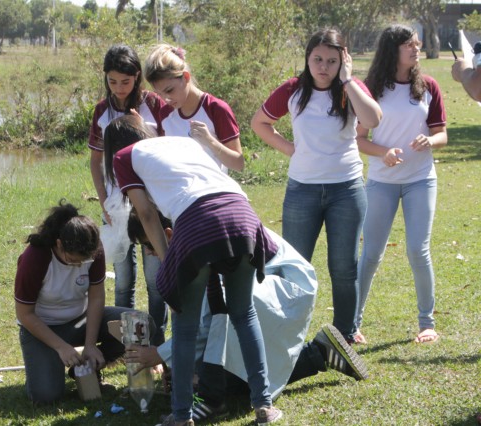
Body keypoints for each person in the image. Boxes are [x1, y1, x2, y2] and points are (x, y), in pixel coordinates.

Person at [104, 115, 281, 426]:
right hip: (242, 213)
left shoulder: (123, 157)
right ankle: (264, 406)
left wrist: (168, 261)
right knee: (244, 313)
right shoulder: (181, 142)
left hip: (198, 222)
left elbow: (146, 214)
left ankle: (182, 416)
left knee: (184, 331)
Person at [125, 210, 368, 422]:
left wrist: (161, 354)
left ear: (167, 233)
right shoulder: (187, 231)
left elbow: (207, 320)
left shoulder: (194, 240)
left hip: (283, 287)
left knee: (225, 346)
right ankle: (318, 354)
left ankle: (212, 399)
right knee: (229, 375)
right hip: (264, 288)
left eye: (148, 245)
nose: (148, 254)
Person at [251, 29, 382, 343]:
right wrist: (289, 149)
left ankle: (345, 334)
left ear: (343, 61)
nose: (324, 66)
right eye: (318, 59)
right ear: (308, 58)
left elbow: (373, 120)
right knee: (293, 265)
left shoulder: (351, 89)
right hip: (302, 191)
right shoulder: (293, 90)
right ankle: (286, 332)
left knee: (344, 266)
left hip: (346, 190)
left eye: (332, 61)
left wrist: (349, 81)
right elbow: (259, 123)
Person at [356, 25, 447, 344]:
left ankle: (427, 323)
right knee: (371, 254)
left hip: (421, 181)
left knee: (417, 251)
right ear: (392, 49)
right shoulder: (370, 88)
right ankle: (353, 325)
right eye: (409, 44)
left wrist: (430, 140)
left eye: (417, 43)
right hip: (381, 182)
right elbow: (359, 140)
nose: (416, 48)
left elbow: (442, 134)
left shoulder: (428, 86)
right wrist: (384, 153)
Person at [13, 200, 155, 404]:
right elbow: (24, 315)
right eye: (73, 260)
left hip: (81, 320)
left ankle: (90, 365)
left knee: (141, 324)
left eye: (84, 261)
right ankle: (47, 366)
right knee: (46, 397)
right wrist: (61, 347)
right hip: (43, 328)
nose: (78, 265)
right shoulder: (34, 258)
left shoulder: (93, 250)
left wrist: (90, 345)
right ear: (59, 244)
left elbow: (96, 297)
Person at [88, 44, 167, 346]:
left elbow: (167, 148)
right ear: (105, 78)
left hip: (152, 202)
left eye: (126, 81)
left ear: (137, 77)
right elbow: (96, 162)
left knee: (156, 278)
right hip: (115, 203)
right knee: (123, 279)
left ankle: (158, 342)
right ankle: (130, 341)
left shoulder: (155, 105)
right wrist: (103, 200)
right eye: (112, 82)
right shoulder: (101, 110)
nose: (119, 89)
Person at [144, 44, 244, 172]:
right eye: (159, 94)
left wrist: (210, 141)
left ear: (186, 77)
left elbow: (238, 164)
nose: (166, 99)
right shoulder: (165, 113)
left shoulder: (216, 109)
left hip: (213, 189)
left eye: (169, 90)